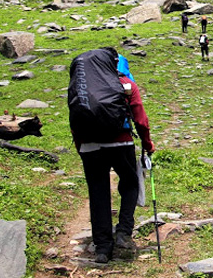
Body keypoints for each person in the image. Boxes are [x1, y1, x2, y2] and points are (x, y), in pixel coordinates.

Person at [72, 49, 155, 264]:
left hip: (89, 145)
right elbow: (141, 119)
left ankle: (102, 247)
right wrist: (147, 144)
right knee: (129, 183)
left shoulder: (81, 85)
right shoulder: (126, 84)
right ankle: (124, 233)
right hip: (121, 142)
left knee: (97, 191)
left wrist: (80, 146)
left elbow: (75, 116)